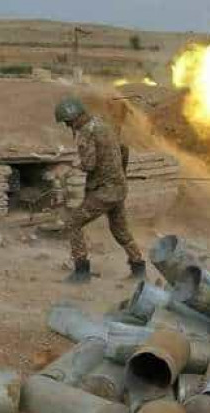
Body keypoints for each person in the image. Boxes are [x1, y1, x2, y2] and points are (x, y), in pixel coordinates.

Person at [54, 96, 146, 283]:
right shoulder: (103, 125)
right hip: (118, 188)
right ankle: (139, 269)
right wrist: (120, 174)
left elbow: (89, 164)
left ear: (74, 118)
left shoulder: (86, 133)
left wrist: (71, 166)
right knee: (120, 230)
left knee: (73, 223)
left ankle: (81, 272)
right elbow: (124, 149)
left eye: (67, 122)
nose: (67, 126)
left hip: (104, 192)